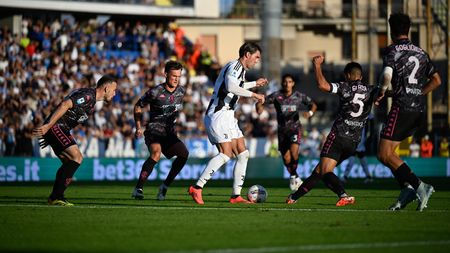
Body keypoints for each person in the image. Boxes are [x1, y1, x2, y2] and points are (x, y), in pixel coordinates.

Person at [287, 55, 376, 207]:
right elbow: (387, 92)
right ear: (361, 76)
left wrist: (317, 66)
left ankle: (343, 195)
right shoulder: (371, 89)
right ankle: (294, 197)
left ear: (347, 75)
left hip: (339, 136)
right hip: (354, 142)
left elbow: (322, 85)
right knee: (319, 171)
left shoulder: (345, 86)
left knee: (324, 171)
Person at [375, 13, 441, 211]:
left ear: (391, 30)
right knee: (390, 153)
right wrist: (418, 93)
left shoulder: (392, 50)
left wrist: (381, 91)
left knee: (383, 154)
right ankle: (406, 190)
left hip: (402, 107)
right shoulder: (421, 52)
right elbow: (437, 80)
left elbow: (387, 76)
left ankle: (420, 186)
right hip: (417, 109)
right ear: (409, 29)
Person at [188, 42, 267, 204]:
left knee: (243, 154)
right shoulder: (235, 66)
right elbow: (231, 86)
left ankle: (235, 196)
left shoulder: (239, 70)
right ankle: (197, 187)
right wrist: (254, 95)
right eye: (256, 57)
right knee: (226, 154)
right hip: (219, 114)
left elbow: (236, 84)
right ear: (247, 55)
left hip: (229, 116)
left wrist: (254, 83)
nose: (257, 60)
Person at [32, 75, 118, 206]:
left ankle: (56, 197)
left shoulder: (92, 100)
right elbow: (65, 104)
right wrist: (48, 126)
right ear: (106, 88)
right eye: (114, 90)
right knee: (77, 157)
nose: (115, 93)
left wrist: (50, 135)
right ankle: (56, 196)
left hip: (60, 129)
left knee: (68, 162)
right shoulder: (88, 96)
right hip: (57, 126)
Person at [131, 60, 189, 201]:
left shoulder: (181, 91)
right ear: (165, 74)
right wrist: (138, 127)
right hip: (154, 130)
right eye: (173, 75)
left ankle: (164, 186)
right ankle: (138, 188)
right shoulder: (155, 92)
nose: (176, 79)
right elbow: (138, 106)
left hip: (169, 132)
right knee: (156, 154)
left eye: (178, 76)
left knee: (184, 154)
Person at [256, 74, 317, 192]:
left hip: (295, 129)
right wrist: (258, 106)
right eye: (285, 82)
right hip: (282, 130)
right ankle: (295, 176)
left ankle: (293, 176)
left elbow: (313, 105)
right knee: (286, 158)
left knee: (294, 152)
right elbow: (262, 101)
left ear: (293, 83)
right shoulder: (276, 96)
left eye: (289, 82)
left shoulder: (299, 96)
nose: (287, 84)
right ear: (282, 83)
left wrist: (309, 113)